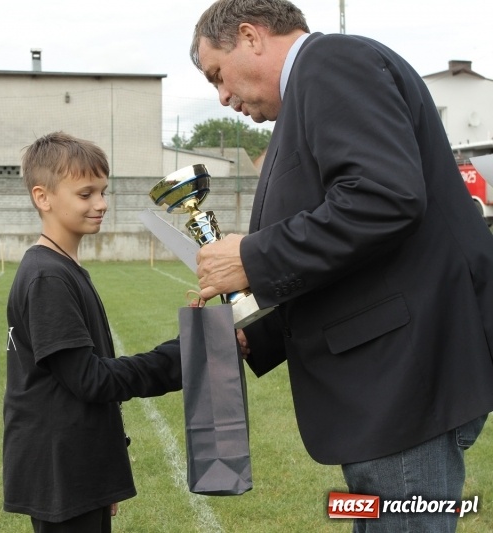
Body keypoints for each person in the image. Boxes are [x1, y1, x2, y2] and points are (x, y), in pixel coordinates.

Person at [189, 2, 493, 532]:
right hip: (389, 384)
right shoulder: (308, 94)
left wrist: (250, 257)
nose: (222, 96)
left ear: (250, 36)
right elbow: (354, 260)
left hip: (402, 380)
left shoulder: (329, 62)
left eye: (218, 74)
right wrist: (260, 339)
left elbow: (383, 198)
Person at [3, 132, 183, 533]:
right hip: (61, 473)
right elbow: (90, 379)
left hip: (78, 468)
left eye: (103, 191)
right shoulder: (46, 276)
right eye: (86, 194)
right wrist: (185, 355)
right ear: (42, 197)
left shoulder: (61, 268)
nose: (101, 204)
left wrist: (103, 468)